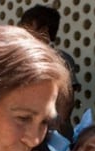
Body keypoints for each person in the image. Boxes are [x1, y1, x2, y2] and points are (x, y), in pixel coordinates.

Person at [19, 4, 81, 140]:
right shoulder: (20, 59)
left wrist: (55, 132)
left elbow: (66, 100)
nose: (21, 33)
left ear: (44, 32)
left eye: (27, 28)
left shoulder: (60, 59)